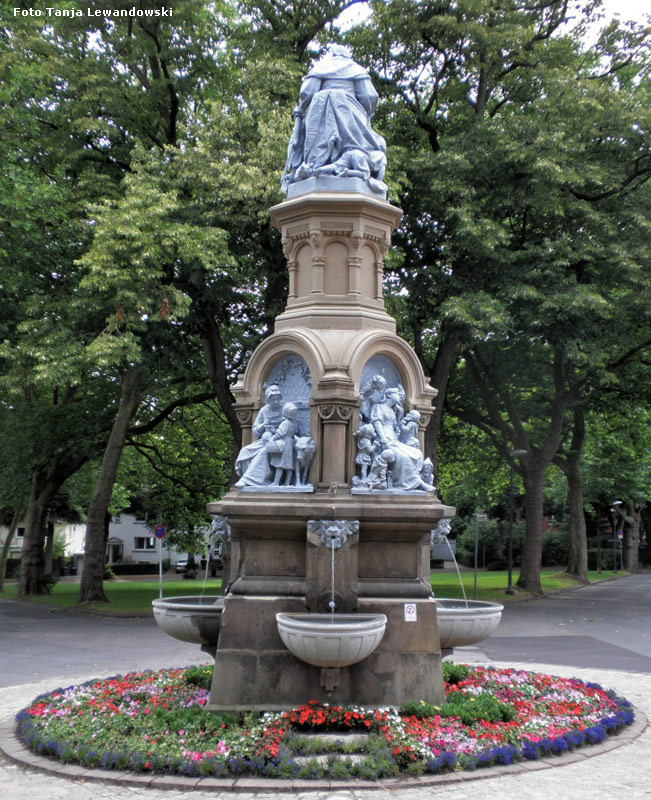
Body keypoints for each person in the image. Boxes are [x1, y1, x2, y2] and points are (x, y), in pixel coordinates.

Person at [281, 44, 387, 193]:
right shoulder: (355, 69)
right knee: (371, 143)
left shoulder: (320, 68)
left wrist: (305, 107)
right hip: (351, 117)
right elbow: (370, 97)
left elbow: (306, 93)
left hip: (319, 117)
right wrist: (365, 113)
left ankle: (314, 166)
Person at [234, 385, 284, 488]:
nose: (276, 402)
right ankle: (249, 478)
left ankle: (249, 480)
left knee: (263, 452)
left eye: (277, 399)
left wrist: (276, 432)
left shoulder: (284, 410)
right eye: (273, 399)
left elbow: (292, 427)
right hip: (264, 440)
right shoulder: (264, 411)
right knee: (245, 451)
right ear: (268, 400)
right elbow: (255, 431)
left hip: (279, 441)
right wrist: (264, 424)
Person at [269, 402, 299, 486]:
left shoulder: (285, 423)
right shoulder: (293, 423)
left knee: (280, 465)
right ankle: (287, 483)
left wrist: (272, 439)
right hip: (290, 444)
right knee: (289, 466)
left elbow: (279, 434)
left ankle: (276, 482)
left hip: (283, 444)